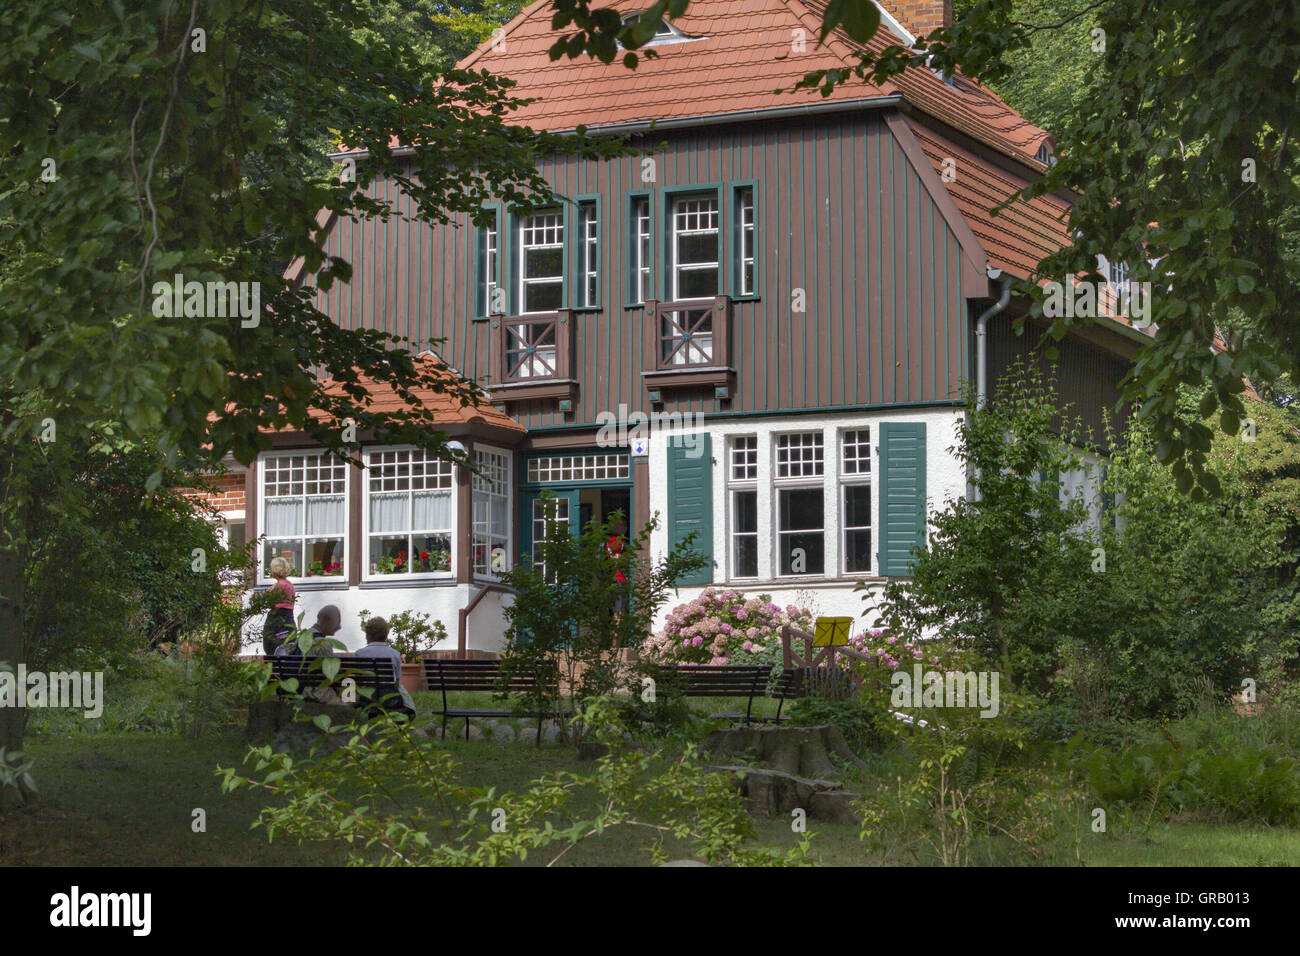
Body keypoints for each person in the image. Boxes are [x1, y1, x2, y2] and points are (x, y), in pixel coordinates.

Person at [274, 605, 343, 704]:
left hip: (299, 689)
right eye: (337, 622)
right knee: (351, 698)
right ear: (327, 620)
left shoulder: (301, 638)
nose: (339, 627)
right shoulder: (323, 644)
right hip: (316, 693)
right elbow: (330, 676)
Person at [353, 616, 416, 717]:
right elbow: (397, 681)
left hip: (367, 698)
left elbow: (357, 680)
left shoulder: (359, 654)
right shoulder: (394, 654)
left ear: (367, 635)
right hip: (390, 700)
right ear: (386, 635)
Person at [261, 556, 296, 656]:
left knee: (272, 647)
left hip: (277, 620)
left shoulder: (279, 585)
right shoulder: (290, 585)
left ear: (275, 570)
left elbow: (265, 597)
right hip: (289, 619)